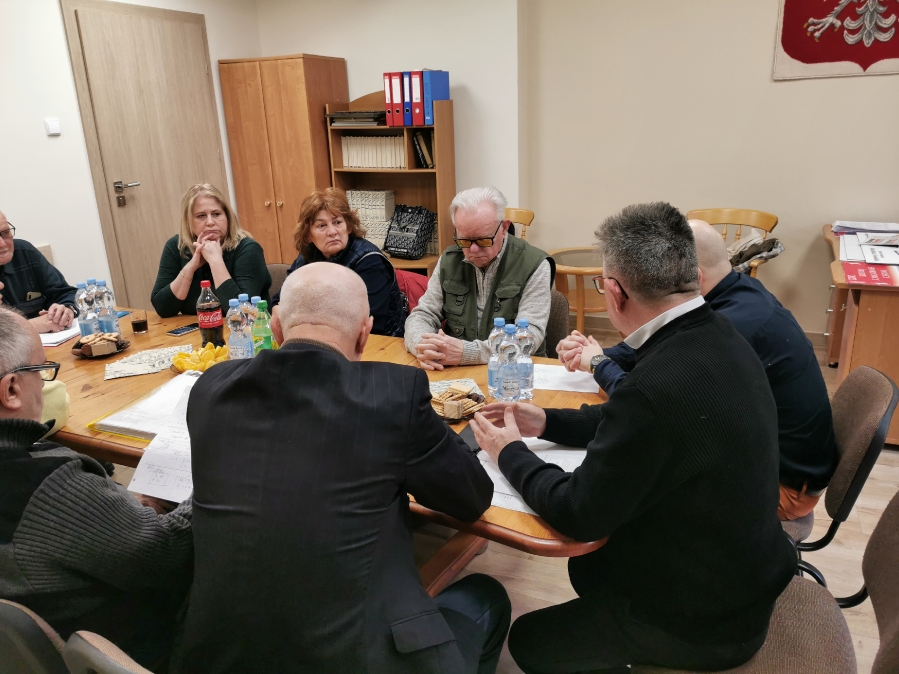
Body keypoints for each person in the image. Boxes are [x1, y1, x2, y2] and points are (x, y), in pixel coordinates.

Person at [469, 203, 796, 674]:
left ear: (616, 292)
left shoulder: (656, 384)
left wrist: (510, 453)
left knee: (530, 640)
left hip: (707, 624)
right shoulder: (718, 333)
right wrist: (546, 422)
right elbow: (634, 418)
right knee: (589, 567)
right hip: (741, 576)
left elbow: (576, 512)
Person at [173, 262, 511, 674]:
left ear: (275, 327)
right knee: (486, 596)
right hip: (355, 660)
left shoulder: (210, 387)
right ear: (365, 334)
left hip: (214, 655)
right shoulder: (392, 394)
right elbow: (471, 498)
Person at [558, 220, 837, 521]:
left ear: (694, 276)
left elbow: (647, 402)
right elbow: (662, 345)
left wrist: (599, 365)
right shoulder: (737, 292)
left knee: (622, 497)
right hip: (769, 461)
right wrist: (595, 354)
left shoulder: (732, 329)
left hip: (782, 488)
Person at [0, 306, 193, 669]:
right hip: (134, 648)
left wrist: (122, 509)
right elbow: (171, 556)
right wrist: (213, 481)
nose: (46, 384)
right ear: (11, 389)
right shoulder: (51, 488)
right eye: (42, 370)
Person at [404, 187, 553, 370]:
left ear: (504, 228)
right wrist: (423, 346)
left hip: (515, 372)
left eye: (483, 240)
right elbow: (423, 314)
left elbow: (529, 337)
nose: (473, 249)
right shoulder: (449, 260)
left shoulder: (534, 265)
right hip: (454, 371)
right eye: (465, 240)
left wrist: (468, 353)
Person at [270, 187, 406, 340]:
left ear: (349, 226)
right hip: (325, 338)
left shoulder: (369, 261)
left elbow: (368, 323)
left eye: (337, 222)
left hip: (379, 343)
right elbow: (279, 299)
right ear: (308, 235)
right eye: (322, 226)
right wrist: (279, 309)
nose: (332, 232)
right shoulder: (307, 257)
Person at [150, 183, 271, 316]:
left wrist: (215, 261)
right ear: (189, 221)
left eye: (216, 214)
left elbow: (243, 314)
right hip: (196, 327)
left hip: (245, 328)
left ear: (227, 216)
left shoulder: (248, 248)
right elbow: (163, 308)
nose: (210, 222)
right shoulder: (177, 246)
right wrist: (191, 267)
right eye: (201, 216)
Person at [0, 210, 77, 333]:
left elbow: (65, 293)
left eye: (5, 233)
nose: (3, 244)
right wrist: (31, 326)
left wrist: (66, 310)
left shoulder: (24, 252)